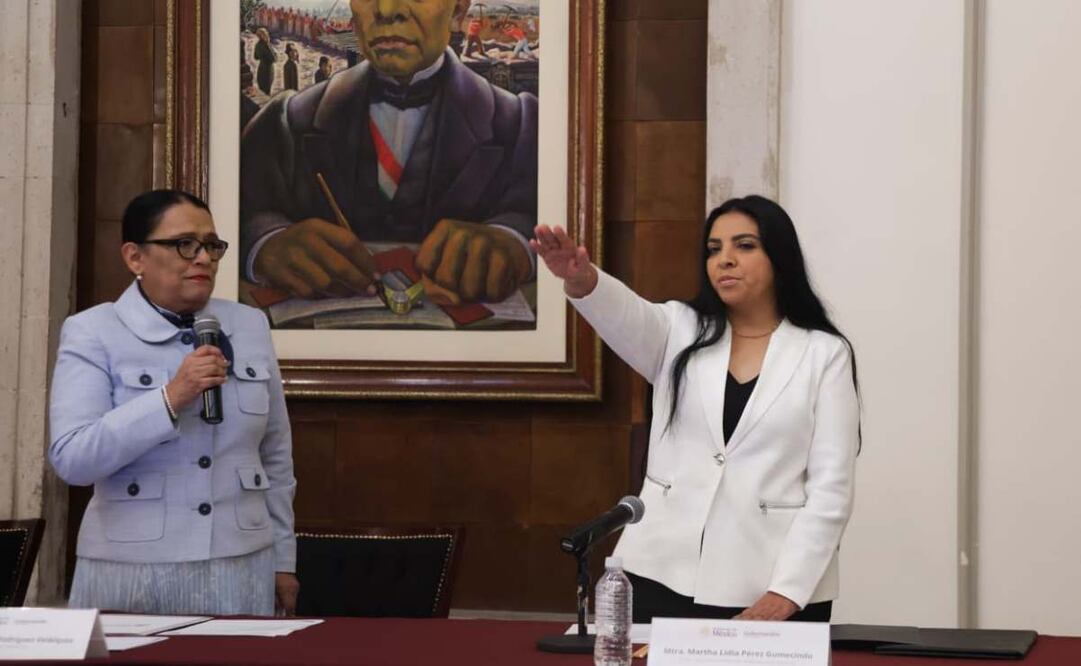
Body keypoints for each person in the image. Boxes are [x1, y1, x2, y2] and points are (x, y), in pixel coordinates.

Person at [531, 195, 860, 623]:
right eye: (714, 249)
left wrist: (787, 591)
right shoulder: (679, 328)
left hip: (772, 583)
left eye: (744, 245)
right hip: (661, 572)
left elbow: (831, 488)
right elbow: (624, 315)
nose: (725, 259)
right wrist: (582, 279)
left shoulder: (824, 353)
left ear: (780, 257)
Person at [49, 190, 299, 617]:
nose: (203, 258)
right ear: (135, 257)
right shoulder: (93, 331)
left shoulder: (249, 324)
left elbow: (275, 455)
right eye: (184, 244)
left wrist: (283, 560)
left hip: (240, 562)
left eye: (212, 246)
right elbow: (73, 459)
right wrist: (169, 398)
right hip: (130, 568)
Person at [240, 0, 537, 304]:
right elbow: (241, 212)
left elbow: (538, 214)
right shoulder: (286, 121)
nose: (385, 8)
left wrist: (515, 241)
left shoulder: (521, 125)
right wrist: (265, 244)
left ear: (458, 11)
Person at [253, 28, 275, 96]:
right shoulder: (266, 45)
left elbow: (256, 57)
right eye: (266, 34)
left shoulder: (257, 45)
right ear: (264, 35)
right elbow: (274, 59)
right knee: (267, 91)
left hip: (261, 69)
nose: (268, 35)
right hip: (268, 70)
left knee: (262, 89)